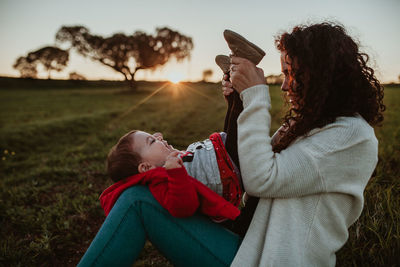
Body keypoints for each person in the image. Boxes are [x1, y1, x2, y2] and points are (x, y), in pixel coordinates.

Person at [78, 22, 384, 267]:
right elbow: (243, 162)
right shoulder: (311, 125)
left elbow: (261, 178)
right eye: (285, 73)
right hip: (246, 246)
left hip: (268, 260)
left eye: (294, 74)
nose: (285, 85)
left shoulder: (351, 136)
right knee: (139, 195)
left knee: (135, 200)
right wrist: (238, 101)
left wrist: (255, 96)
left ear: (323, 78)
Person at [100, 130, 243, 222]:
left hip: (225, 150)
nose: (159, 136)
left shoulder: (170, 163)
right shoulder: (161, 180)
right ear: (146, 167)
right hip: (231, 166)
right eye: (152, 140)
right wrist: (176, 174)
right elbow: (183, 207)